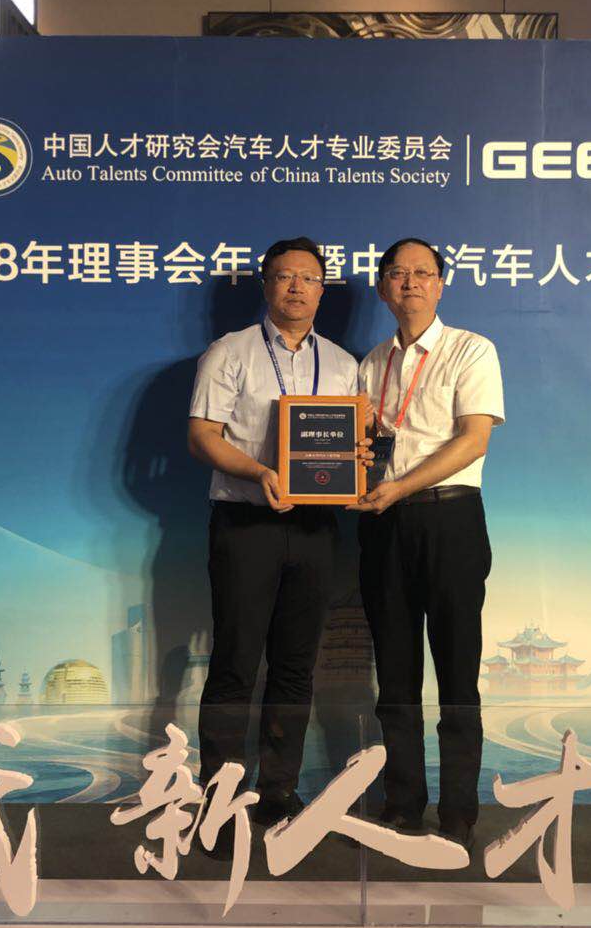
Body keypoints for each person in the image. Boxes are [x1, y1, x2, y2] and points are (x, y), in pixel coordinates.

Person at [187, 236, 368, 828]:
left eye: (309, 279)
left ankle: (277, 793)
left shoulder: (343, 364)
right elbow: (202, 437)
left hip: (316, 527)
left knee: (295, 665)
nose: (297, 287)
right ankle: (218, 799)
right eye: (285, 277)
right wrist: (259, 471)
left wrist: (360, 460)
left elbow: (351, 444)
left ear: (322, 290)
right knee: (235, 664)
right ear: (265, 285)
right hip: (246, 523)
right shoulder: (230, 351)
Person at [352, 237, 504, 850]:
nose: (410, 282)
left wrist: (398, 486)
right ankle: (403, 804)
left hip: (450, 520)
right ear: (382, 287)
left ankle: (459, 812)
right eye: (398, 273)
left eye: (423, 273)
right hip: (383, 524)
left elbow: (473, 441)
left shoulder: (471, 349)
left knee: (458, 673)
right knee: (394, 675)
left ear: (441, 284)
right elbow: (363, 449)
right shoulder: (370, 364)